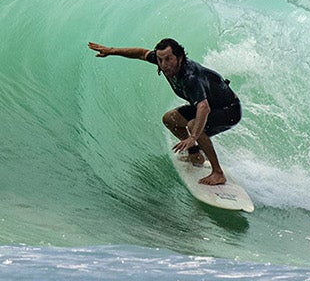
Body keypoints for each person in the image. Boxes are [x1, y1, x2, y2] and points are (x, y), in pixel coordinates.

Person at [87, 37, 241, 185]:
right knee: (170, 119)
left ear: (179, 58)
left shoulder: (190, 76)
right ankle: (196, 156)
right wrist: (112, 51)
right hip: (210, 105)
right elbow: (141, 53)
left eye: (168, 59)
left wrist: (193, 136)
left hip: (229, 110)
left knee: (194, 125)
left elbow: (203, 107)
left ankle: (218, 173)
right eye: (160, 60)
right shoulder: (163, 61)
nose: (164, 64)